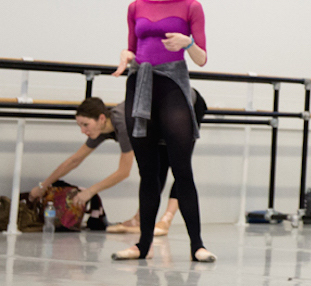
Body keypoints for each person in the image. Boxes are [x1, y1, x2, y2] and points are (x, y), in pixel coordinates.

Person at [109, 0, 214, 264]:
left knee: (182, 169)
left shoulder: (191, 6)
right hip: (140, 84)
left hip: (172, 86)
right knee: (148, 173)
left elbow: (202, 59)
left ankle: (197, 244)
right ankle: (142, 245)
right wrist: (126, 55)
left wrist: (188, 42)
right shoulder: (136, 6)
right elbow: (131, 47)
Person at [30, 97, 201, 236]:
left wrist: (90, 191)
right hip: (163, 116)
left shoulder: (124, 124)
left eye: (85, 125)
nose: (83, 131)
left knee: (179, 166)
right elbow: (75, 160)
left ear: (101, 118)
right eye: (80, 126)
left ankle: (166, 220)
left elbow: (123, 172)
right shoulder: (101, 129)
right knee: (157, 167)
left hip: (187, 104)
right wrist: (42, 186)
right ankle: (141, 219)